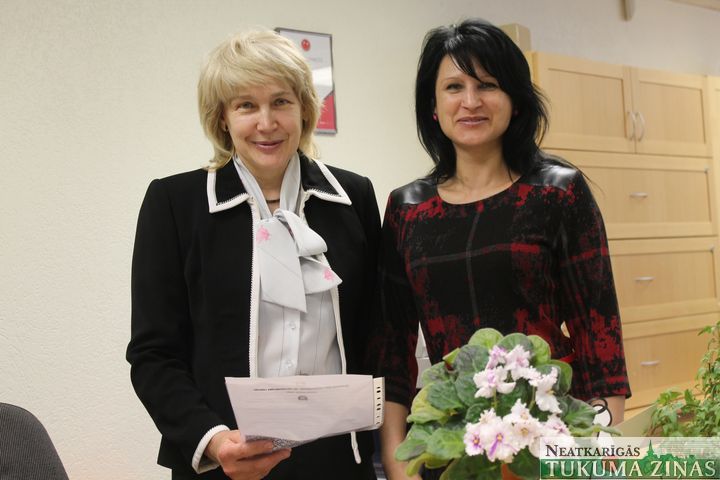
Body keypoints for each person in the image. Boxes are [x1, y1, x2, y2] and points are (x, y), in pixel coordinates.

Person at [369, 19, 631, 479]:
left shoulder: (557, 192)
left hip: (550, 432)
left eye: (487, 85)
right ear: (433, 106)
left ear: (515, 100)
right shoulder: (407, 209)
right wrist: (397, 462)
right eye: (454, 87)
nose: (470, 101)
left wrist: (594, 452)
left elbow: (598, 331)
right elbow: (392, 350)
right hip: (451, 440)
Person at [127, 29, 381, 480]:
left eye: (281, 101)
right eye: (246, 105)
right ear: (223, 118)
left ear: (304, 109)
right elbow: (154, 353)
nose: (266, 123)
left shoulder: (353, 197)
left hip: (339, 461)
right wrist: (213, 439)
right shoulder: (175, 204)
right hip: (227, 463)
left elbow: (378, 334)